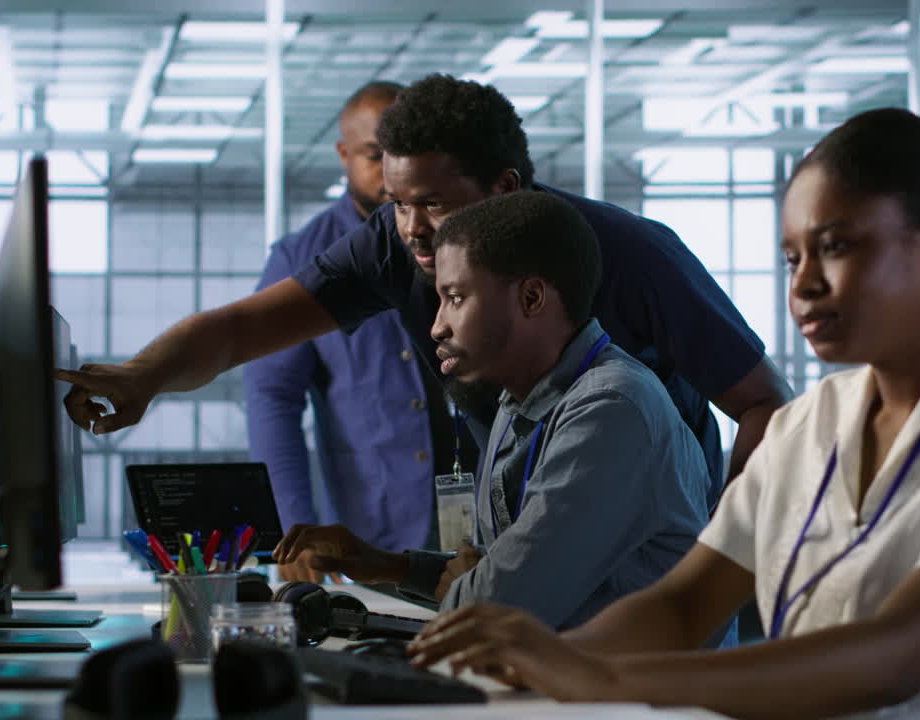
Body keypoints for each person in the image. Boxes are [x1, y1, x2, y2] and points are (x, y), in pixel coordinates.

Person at [407, 108, 920, 719]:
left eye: (836, 247)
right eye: (792, 257)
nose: (804, 285)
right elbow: (682, 608)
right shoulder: (809, 424)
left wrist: (594, 675)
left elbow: (899, 658)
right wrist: (524, 667)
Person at [55, 74, 790, 507]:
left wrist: (720, 549)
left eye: (434, 203)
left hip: (651, 534)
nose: (411, 229)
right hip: (518, 523)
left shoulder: (631, 254)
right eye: (396, 202)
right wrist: (145, 375)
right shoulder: (394, 243)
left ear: (505, 189)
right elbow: (240, 332)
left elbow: (763, 402)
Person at [272, 191, 714, 633]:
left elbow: (495, 610)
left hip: (635, 696)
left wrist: (476, 582)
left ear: (532, 298)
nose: (437, 326)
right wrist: (384, 565)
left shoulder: (609, 410)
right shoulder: (519, 400)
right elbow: (496, 572)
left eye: (456, 298)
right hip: (562, 681)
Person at [243, 81, 476, 583]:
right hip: (373, 527)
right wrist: (294, 527)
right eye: (375, 155)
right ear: (344, 154)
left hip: (486, 514)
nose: (392, 172)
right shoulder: (300, 257)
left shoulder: (467, 237)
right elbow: (272, 398)